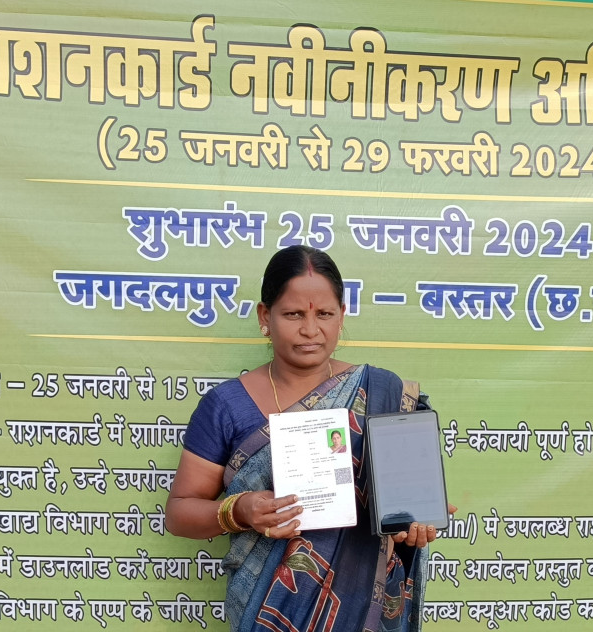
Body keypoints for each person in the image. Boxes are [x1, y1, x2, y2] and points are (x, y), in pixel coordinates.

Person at [167, 245, 451, 632]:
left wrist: (414, 521)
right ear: (265, 316)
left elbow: (406, 508)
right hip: (268, 612)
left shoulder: (382, 393)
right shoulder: (227, 406)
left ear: (342, 315)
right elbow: (180, 513)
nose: (310, 330)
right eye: (294, 314)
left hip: (362, 614)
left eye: (325, 314)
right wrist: (240, 510)